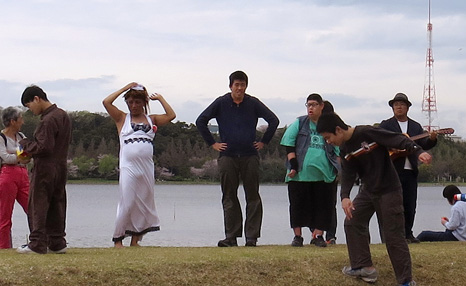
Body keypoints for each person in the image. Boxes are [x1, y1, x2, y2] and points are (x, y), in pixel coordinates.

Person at [317, 112, 432, 286]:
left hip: (389, 190)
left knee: (393, 236)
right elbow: (348, 173)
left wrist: (419, 152)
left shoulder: (367, 133)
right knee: (352, 221)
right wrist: (345, 196)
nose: (328, 142)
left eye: (328, 138)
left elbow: (399, 140)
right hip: (368, 191)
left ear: (338, 129)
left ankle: (406, 283)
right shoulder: (345, 147)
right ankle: (364, 267)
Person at [196, 70, 280, 247]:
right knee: (229, 196)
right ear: (230, 86)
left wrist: (264, 141)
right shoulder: (221, 102)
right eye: (237, 85)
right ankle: (231, 237)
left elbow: (273, 120)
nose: (239, 88)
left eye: (242, 85)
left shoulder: (253, 103)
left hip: (250, 155)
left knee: (253, 195)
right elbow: (201, 121)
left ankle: (252, 237)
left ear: (246, 86)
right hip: (228, 156)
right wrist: (213, 143)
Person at [102, 82, 176, 248]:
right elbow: (106, 102)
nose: (134, 106)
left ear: (144, 103)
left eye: (137, 102)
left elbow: (171, 116)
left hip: (146, 168)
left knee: (143, 203)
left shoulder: (152, 119)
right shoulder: (122, 118)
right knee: (127, 202)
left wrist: (161, 99)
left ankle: (136, 240)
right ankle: (118, 239)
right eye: (130, 103)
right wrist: (125, 88)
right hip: (129, 167)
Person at [16, 85, 72, 254]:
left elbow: (44, 147)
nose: (30, 110)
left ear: (37, 99)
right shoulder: (63, 115)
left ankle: (37, 243)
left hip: (45, 167)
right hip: (61, 166)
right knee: (57, 203)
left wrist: (25, 144)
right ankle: (57, 242)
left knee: (38, 204)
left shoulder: (47, 120)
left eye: (29, 105)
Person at [281, 94, 341, 247]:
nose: (311, 108)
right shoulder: (300, 123)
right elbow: (289, 143)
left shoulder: (330, 126)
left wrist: (338, 171)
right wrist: (293, 165)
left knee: (323, 205)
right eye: (308, 105)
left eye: (314, 105)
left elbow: (338, 149)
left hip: (324, 175)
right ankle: (298, 236)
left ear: (322, 106)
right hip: (300, 174)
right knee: (297, 205)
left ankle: (318, 235)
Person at [378, 92, 438, 243]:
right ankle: (391, 236)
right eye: (396, 105)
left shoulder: (415, 126)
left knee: (409, 203)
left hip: (410, 169)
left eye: (402, 105)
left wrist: (431, 139)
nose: (399, 107)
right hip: (392, 170)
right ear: (392, 108)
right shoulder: (386, 125)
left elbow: (423, 145)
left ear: (407, 108)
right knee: (392, 204)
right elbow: (379, 143)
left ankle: (408, 233)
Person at [1, 107, 31, 249]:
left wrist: (19, 158)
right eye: (20, 119)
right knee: (5, 213)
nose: (22, 122)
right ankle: (4, 247)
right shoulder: (1, 138)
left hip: (23, 174)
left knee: (32, 208)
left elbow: (26, 157)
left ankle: (38, 241)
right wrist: (20, 157)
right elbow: (6, 158)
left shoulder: (21, 136)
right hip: (7, 175)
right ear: (12, 121)